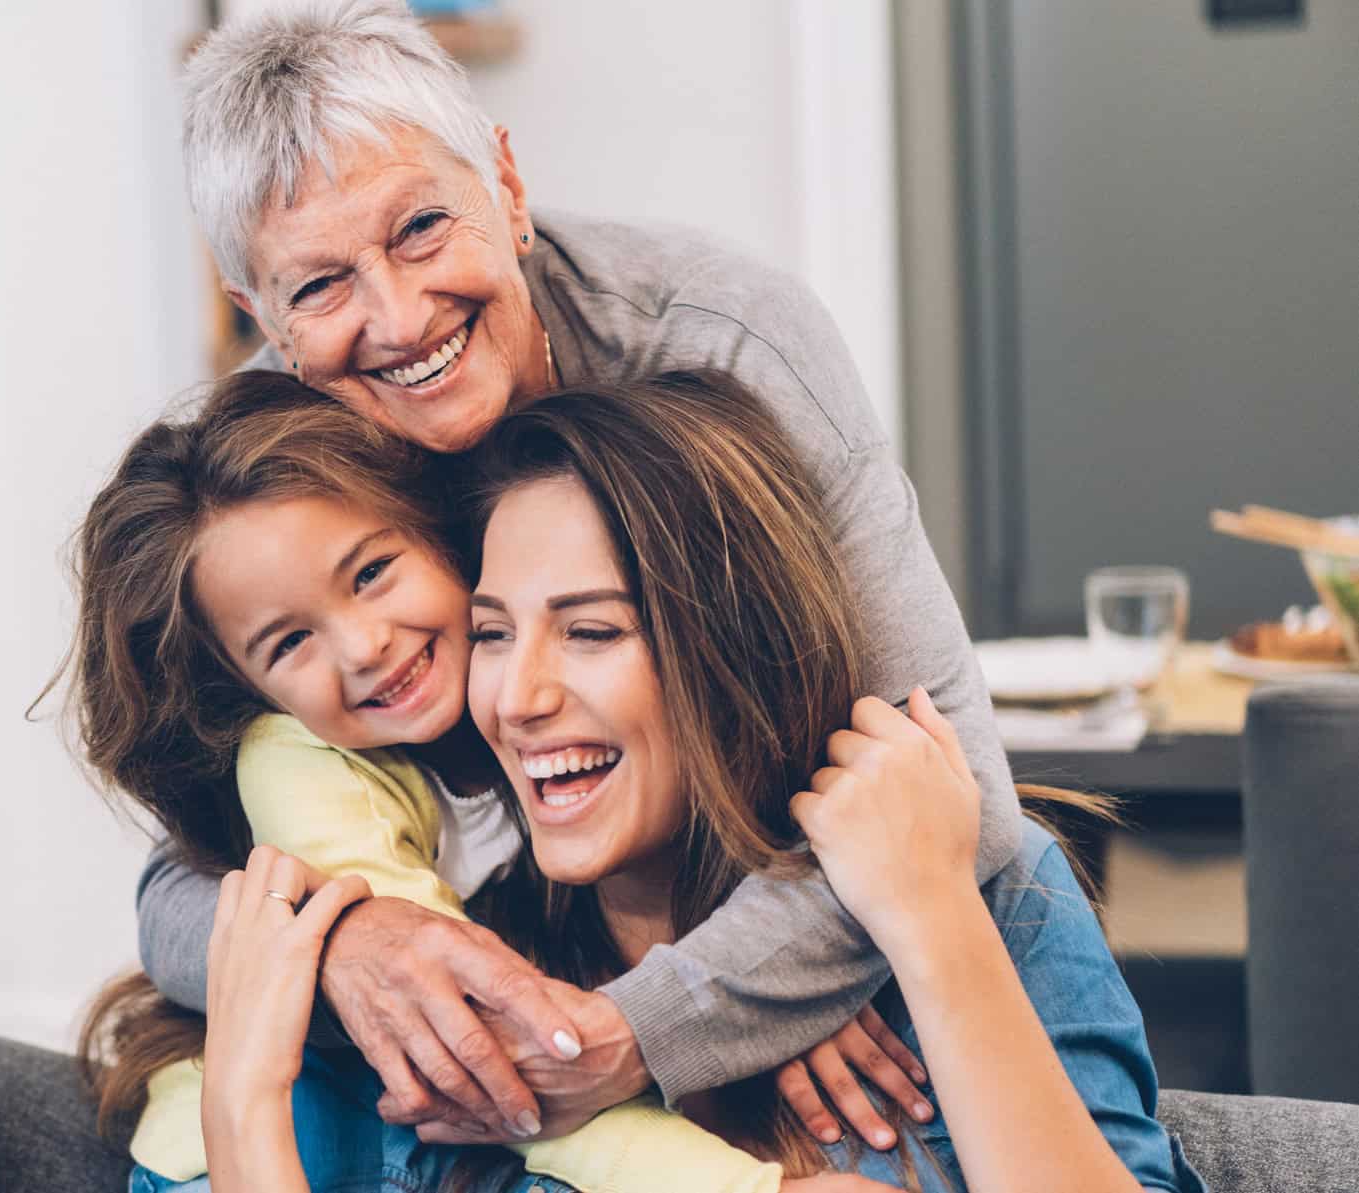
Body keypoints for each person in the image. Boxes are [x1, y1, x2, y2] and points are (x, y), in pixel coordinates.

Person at [138, 0, 1019, 1150]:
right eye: (319, 288)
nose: (398, 319)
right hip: (527, 972)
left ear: (505, 186)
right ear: (262, 319)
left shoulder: (724, 343)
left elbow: (961, 793)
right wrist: (347, 942)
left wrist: (657, 1016)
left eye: (418, 228)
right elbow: (174, 889)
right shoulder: (269, 468)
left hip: (772, 950)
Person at [182, 375, 1195, 1192]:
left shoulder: (995, 898)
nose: (517, 696)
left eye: (591, 630)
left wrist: (929, 921)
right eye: (492, 632)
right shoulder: (496, 982)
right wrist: (241, 1106)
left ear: (734, 652)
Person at [65, 371, 847, 1191]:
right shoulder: (303, 769)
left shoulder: (526, 709)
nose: (364, 645)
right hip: (269, 1153)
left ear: (438, 534)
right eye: (289, 642)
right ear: (249, 691)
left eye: (369, 573)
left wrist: (781, 998)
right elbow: (478, 1047)